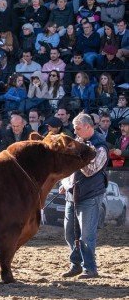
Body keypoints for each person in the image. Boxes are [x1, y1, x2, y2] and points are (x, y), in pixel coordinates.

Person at [60, 113, 108, 279]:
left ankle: (90, 268)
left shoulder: (100, 146)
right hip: (73, 193)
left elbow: (90, 171)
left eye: (78, 128)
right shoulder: (79, 142)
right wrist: (66, 183)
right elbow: (69, 167)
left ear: (88, 127)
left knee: (87, 235)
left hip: (90, 194)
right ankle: (76, 265)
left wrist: (77, 155)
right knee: (69, 233)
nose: (75, 131)